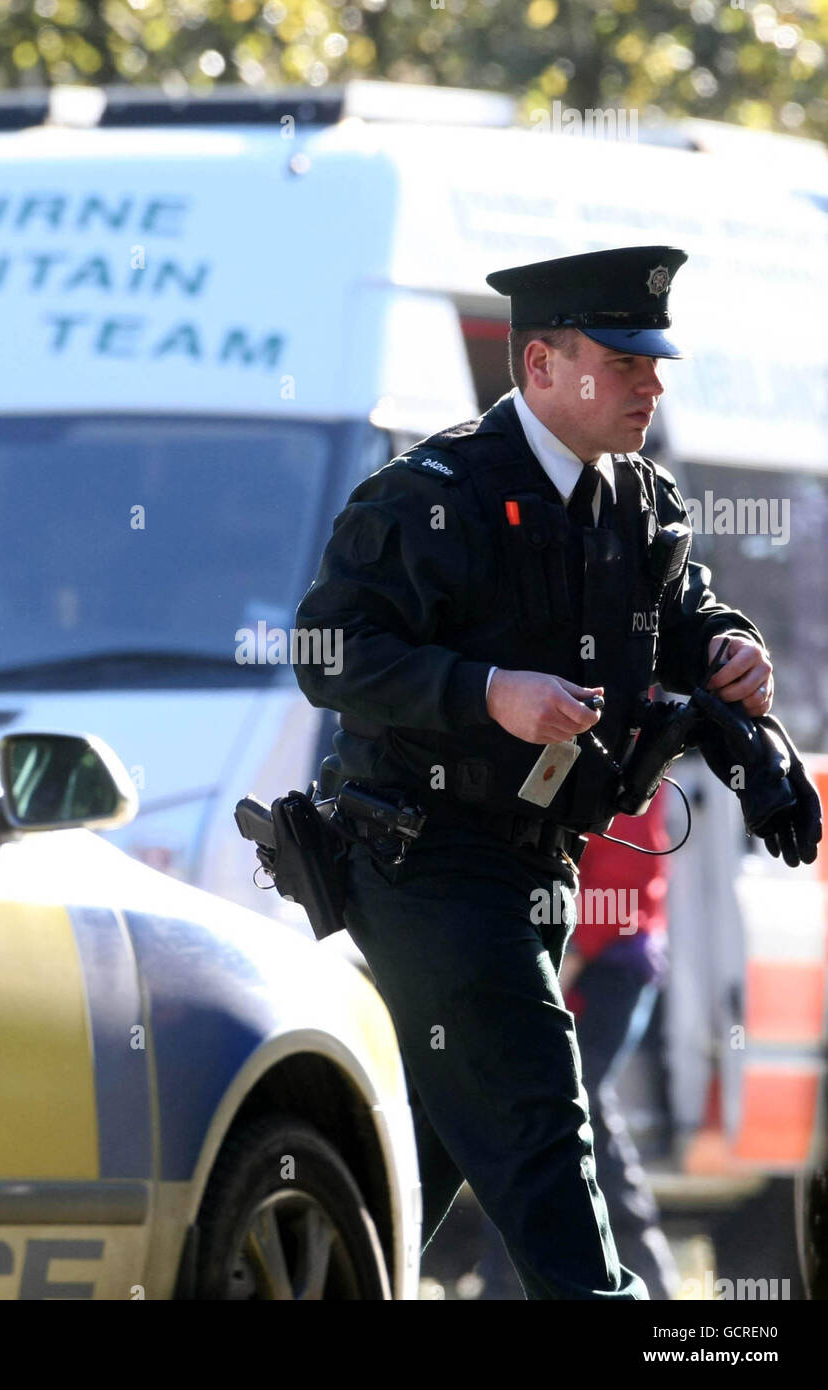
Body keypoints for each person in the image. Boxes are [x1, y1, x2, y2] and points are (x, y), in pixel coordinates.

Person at [291, 245, 778, 1300]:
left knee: (433, 1142)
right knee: (539, 1118)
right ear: (543, 363)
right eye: (625, 360)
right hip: (425, 860)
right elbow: (327, 652)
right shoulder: (433, 494)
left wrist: (728, 646)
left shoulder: (637, 499)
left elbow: (680, 612)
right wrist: (484, 691)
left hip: (540, 862)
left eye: (655, 362)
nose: (651, 382)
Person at [475, 790, 682, 1300]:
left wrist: (567, 961)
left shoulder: (622, 730)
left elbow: (621, 876)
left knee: (553, 1109)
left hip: (602, 963)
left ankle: (509, 1284)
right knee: (574, 1107)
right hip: (586, 957)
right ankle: (643, 1273)